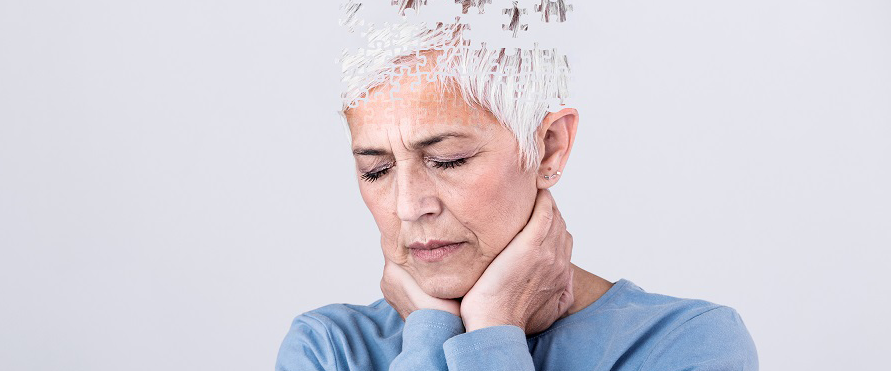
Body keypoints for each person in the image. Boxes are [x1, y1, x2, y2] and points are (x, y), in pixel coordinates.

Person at [275, 42, 759, 370]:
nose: (407, 206)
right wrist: (431, 334)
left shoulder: (687, 343)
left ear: (548, 147)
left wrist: (494, 328)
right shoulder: (329, 348)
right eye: (376, 171)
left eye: (448, 160)